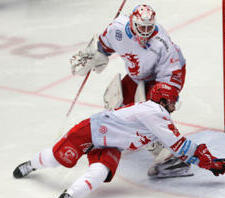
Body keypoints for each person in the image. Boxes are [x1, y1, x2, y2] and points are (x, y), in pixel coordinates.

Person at [13, 82, 225, 198]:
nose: (174, 106)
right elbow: (177, 143)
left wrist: (201, 159)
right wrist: (203, 159)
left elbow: (173, 144)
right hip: (91, 131)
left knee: (100, 171)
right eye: (172, 101)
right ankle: (30, 165)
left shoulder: (156, 115)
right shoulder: (154, 113)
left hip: (111, 144)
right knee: (55, 159)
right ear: (163, 101)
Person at [69, 4, 190, 178]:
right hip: (139, 74)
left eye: (150, 28)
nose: (146, 32)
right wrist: (92, 56)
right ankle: (117, 137)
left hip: (164, 77)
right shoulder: (116, 29)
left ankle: (170, 157)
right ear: (133, 23)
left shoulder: (161, 43)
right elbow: (103, 47)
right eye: (142, 27)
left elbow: (172, 72)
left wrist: (163, 99)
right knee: (116, 104)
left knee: (147, 114)